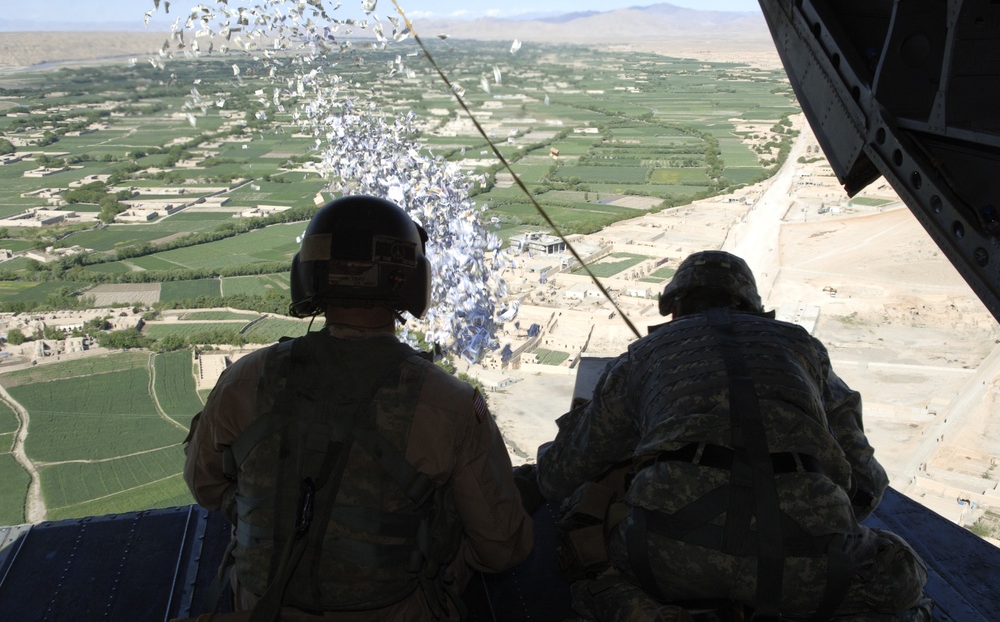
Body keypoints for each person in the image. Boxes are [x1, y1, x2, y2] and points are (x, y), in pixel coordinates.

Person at [184, 195, 534, 621]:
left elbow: (204, 486)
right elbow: (500, 548)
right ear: (409, 281)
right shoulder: (450, 404)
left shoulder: (244, 379)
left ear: (309, 276)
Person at [536, 250, 930, 622]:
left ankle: (629, 603)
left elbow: (557, 475)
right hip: (807, 566)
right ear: (755, 308)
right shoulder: (801, 347)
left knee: (588, 534)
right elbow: (866, 483)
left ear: (674, 309)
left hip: (664, 558)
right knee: (900, 570)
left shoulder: (643, 355)